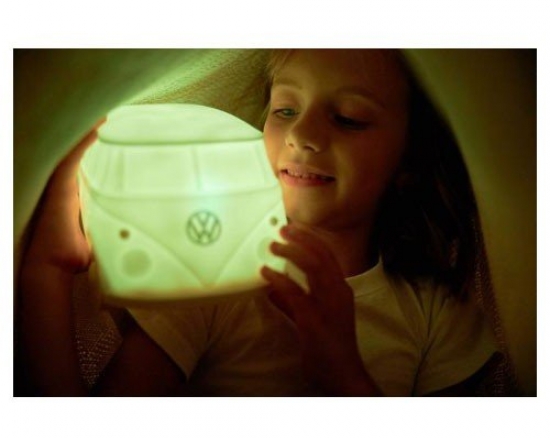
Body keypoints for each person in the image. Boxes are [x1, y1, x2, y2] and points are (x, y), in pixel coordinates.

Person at [16, 49, 498, 396]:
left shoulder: (438, 313)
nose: (301, 134)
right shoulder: (212, 279)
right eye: (285, 109)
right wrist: (49, 267)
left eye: (348, 118)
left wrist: (342, 372)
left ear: (411, 158)